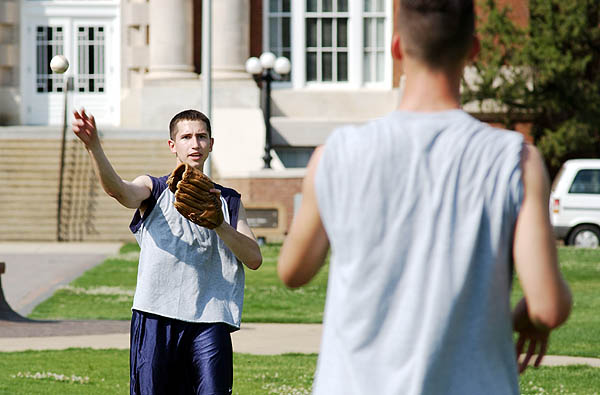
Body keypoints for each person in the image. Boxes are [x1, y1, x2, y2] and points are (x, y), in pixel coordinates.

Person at [277, 0, 572, 394]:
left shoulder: (335, 154)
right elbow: (548, 306)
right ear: (473, 50)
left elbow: (293, 271)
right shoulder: (516, 159)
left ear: (397, 47)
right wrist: (528, 318)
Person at [72, 108, 262, 395]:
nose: (195, 144)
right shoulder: (155, 188)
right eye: (186, 137)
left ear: (211, 143)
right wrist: (94, 146)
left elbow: (254, 258)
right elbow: (120, 192)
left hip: (211, 320)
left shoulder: (229, 201)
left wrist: (220, 224)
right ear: (172, 145)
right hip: (156, 315)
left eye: (201, 136)